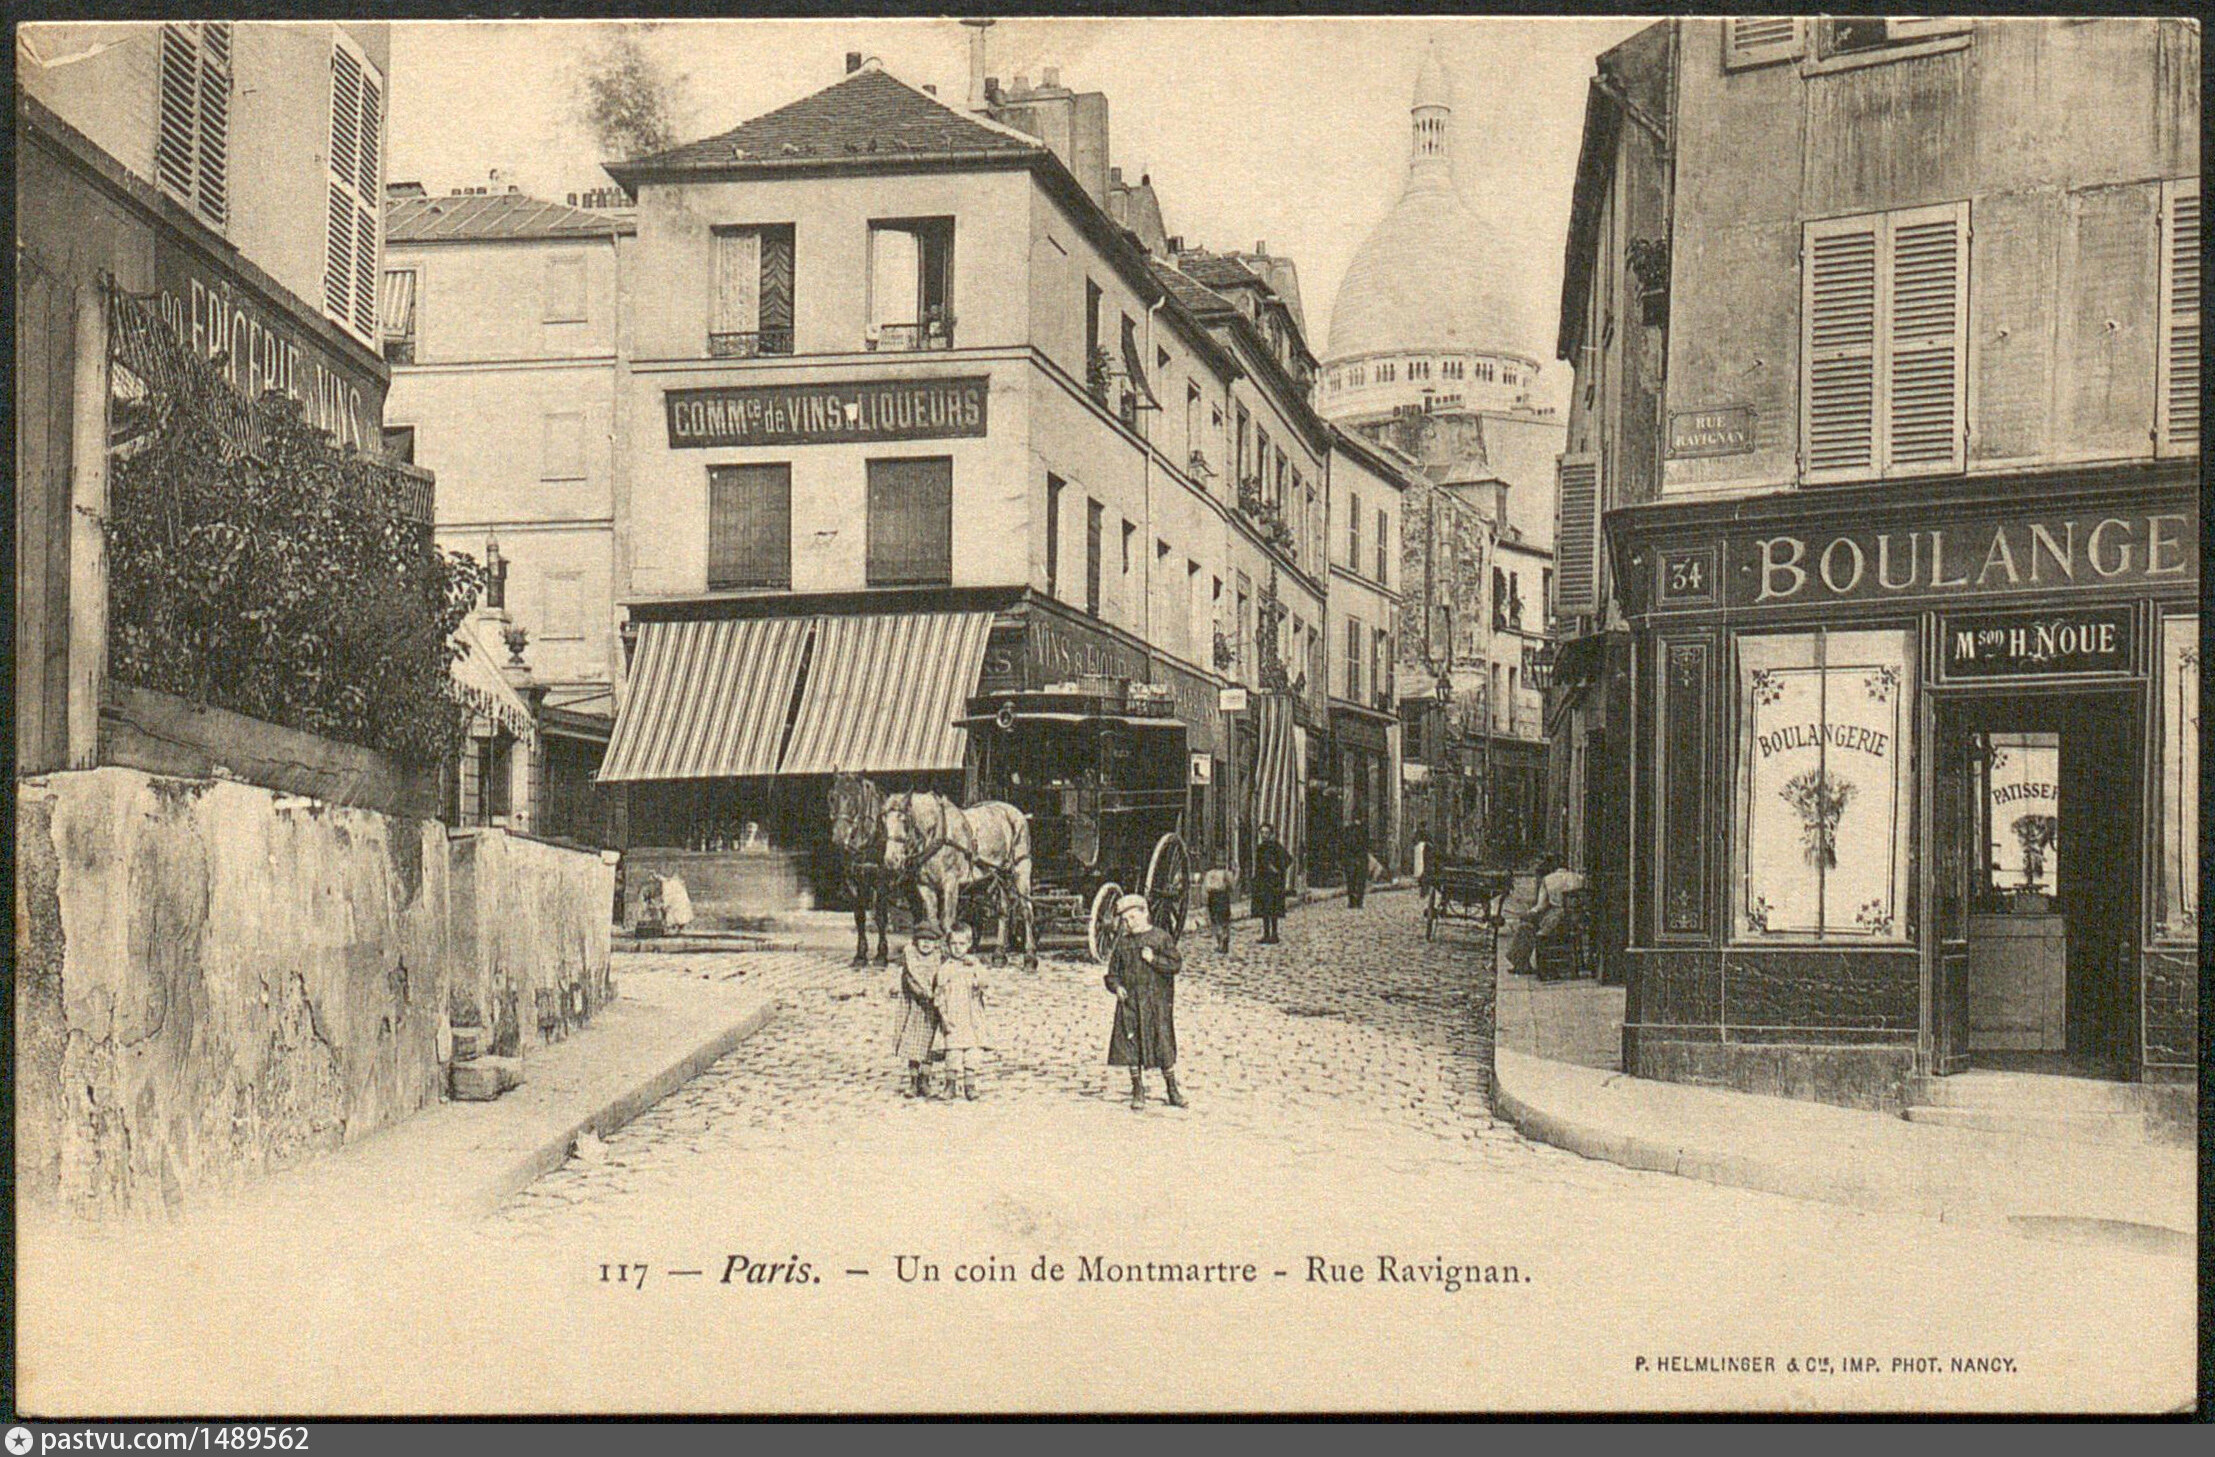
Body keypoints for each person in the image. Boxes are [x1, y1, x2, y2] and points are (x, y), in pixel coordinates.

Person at [1104, 893, 1186, 1109]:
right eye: (1125, 920)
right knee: (1132, 1046)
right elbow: (1112, 974)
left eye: (1133, 917)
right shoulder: (1123, 943)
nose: (1129, 923)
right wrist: (1117, 987)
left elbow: (1175, 965)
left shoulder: (1160, 938)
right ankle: (1137, 1089)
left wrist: (1154, 959)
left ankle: (1172, 1089)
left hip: (1156, 1003)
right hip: (1131, 1003)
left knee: (1162, 1044)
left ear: (1144, 914)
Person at [933, 923, 994, 1101]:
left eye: (962, 944)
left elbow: (986, 983)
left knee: (972, 1053)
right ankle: (950, 1085)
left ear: (969, 944)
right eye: (953, 944)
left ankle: (970, 1086)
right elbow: (939, 995)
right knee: (952, 1052)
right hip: (953, 1016)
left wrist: (977, 971)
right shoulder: (945, 968)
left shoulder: (974, 965)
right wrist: (943, 1016)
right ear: (948, 945)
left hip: (972, 1016)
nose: (957, 948)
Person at [1507, 855, 1587, 976]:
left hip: (1555, 920)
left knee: (1526, 927)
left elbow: (1541, 905)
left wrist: (1530, 912)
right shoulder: (1579, 878)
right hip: (1575, 922)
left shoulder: (1548, 879)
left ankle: (1521, 963)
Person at [891, 922, 946, 1097]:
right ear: (915, 941)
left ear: (936, 943)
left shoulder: (939, 958)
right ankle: (913, 1081)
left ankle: (925, 1080)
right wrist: (923, 993)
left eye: (930, 940)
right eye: (922, 939)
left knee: (929, 1045)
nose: (926, 943)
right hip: (916, 1007)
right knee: (914, 1045)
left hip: (934, 1008)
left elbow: (946, 977)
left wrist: (939, 993)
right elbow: (910, 980)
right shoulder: (911, 958)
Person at [1252, 824, 1290, 945]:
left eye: (1266, 833)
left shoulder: (1276, 846)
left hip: (1274, 883)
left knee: (1273, 909)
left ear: (1271, 834)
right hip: (1262, 882)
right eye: (1262, 833)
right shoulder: (1260, 848)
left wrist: (1277, 869)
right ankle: (1266, 934)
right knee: (1264, 909)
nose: (1264, 835)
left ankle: (1274, 934)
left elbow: (1288, 859)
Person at [1201, 856, 1234, 954]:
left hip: (1217, 897)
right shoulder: (1223, 873)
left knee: (1219, 920)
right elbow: (1231, 886)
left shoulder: (1212, 874)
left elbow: (1206, 887)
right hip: (1219, 897)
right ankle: (1222, 941)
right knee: (1221, 920)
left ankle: (1222, 942)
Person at [1342, 816, 1371, 909]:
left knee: (1355, 880)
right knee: (1355, 881)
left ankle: (1356, 901)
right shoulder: (1352, 831)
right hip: (1355, 858)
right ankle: (1356, 901)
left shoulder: (1361, 831)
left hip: (1357, 858)